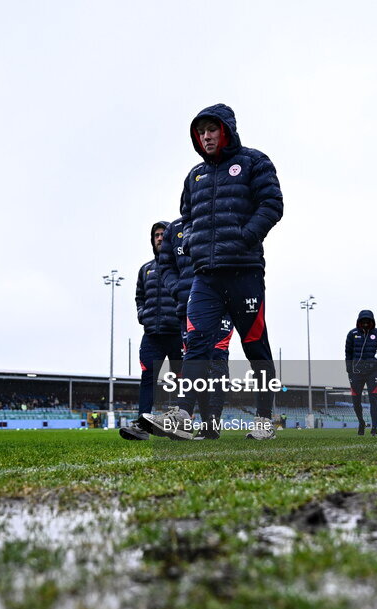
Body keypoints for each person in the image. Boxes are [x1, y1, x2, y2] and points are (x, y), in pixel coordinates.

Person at [143, 103, 283, 441]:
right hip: (205, 277)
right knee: (196, 346)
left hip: (245, 273)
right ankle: (182, 414)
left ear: (227, 130)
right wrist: (191, 241)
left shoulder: (254, 162)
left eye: (212, 129)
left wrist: (245, 237)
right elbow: (186, 219)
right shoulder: (195, 176)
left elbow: (273, 205)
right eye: (201, 131)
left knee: (255, 348)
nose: (206, 136)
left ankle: (265, 421)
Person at [157, 214, 234, 440]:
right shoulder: (175, 229)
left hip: (220, 303)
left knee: (216, 359)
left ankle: (212, 423)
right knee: (195, 359)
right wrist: (177, 288)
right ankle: (193, 422)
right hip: (187, 306)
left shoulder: (216, 217)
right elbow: (165, 265)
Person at [120, 222, 182, 441]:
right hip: (152, 335)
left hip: (177, 333)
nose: (159, 238)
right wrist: (142, 314)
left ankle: (180, 423)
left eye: (163, 234)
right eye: (156, 235)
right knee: (148, 378)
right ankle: (142, 425)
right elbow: (139, 296)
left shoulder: (181, 266)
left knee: (181, 380)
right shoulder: (146, 269)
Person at [345, 310, 377, 436]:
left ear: (372, 321)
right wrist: (349, 369)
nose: (366, 323)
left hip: (373, 372)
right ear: (359, 321)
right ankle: (361, 422)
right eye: (363, 321)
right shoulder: (352, 334)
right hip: (356, 372)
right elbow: (348, 353)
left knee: (373, 399)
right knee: (356, 400)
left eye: (368, 321)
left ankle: (374, 428)